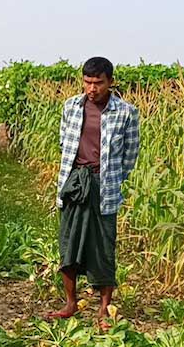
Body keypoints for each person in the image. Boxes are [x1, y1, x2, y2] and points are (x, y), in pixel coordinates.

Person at [47, 56, 140, 331]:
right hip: (75, 182)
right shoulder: (71, 107)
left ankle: (103, 309)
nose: (92, 88)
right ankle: (70, 303)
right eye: (87, 82)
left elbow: (130, 155)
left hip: (104, 185)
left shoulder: (125, 113)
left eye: (98, 83)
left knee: (102, 246)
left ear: (110, 82)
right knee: (69, 242)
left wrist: (109, 177)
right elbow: (64, 142)